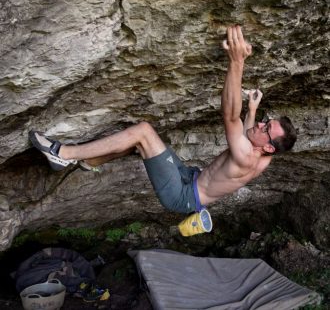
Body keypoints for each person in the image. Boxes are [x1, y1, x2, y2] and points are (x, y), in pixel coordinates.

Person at [29, 25, 297, 217]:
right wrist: (253, 109)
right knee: (142, 147)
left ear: (270, 146)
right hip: (191, 178)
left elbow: (230, 116)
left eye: (266, 128)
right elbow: (248, 130)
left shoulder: (245, 155)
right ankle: (91, 161)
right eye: (265, 121)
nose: (261, 124)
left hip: (182, 196)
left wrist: (237, 62)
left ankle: (63, 154)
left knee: (144, 132)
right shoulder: (265, 155)